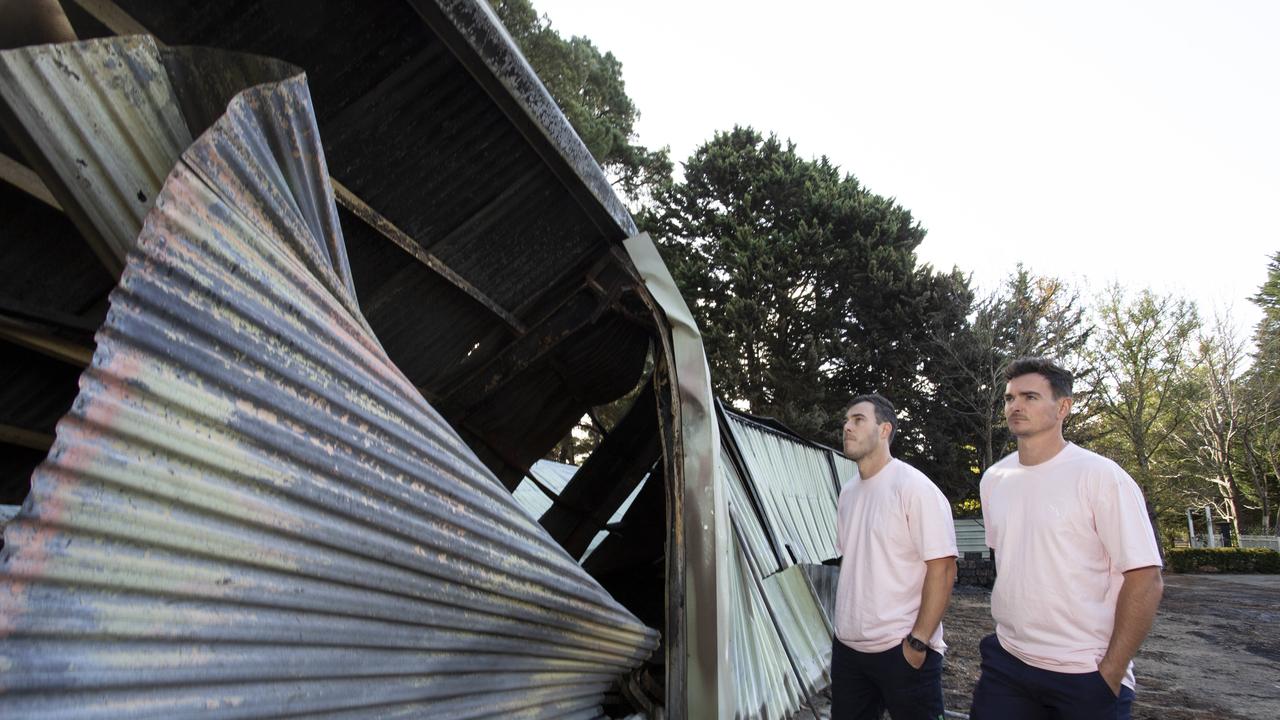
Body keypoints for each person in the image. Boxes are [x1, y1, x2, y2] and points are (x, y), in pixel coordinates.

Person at [970, 357, 1164, 719]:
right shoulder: (995, 479)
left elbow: (1146, 579)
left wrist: (1111, 672)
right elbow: (1010, 563)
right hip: (1008, 664)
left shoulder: (1101, 476)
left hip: (1084, 672)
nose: (1015, 406)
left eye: (1029, 397)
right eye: (1009, 398)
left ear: (1063, 407)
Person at [832, 393, 958, 720]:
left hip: (901, 651)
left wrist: (917, 644)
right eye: (846, 421)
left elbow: (942, 570)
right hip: (849, 652)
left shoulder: (914, 488)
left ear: (885, 429)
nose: (847, 427)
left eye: (858, 420)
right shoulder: (848, 492)